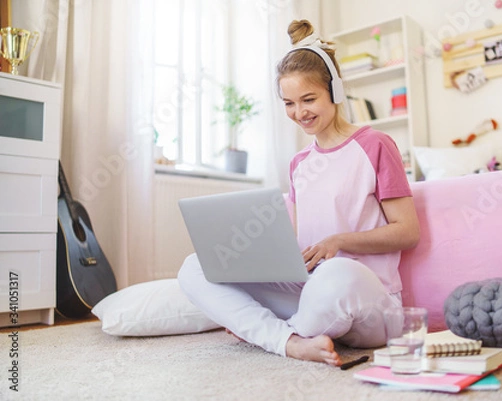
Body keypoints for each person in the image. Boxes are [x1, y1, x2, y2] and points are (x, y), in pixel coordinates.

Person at [178, 19, 420, 366]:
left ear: (335, 91)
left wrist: (339, 242)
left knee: (338, 273)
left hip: (368, 299)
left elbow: (407, 231)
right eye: (289, 103)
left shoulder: (375, 145)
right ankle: (292, 341)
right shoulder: (299, 163)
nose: (299, 112)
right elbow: (298, 242)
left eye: (309, 99)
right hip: (310, 291)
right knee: (195, 267)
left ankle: (269, 333)